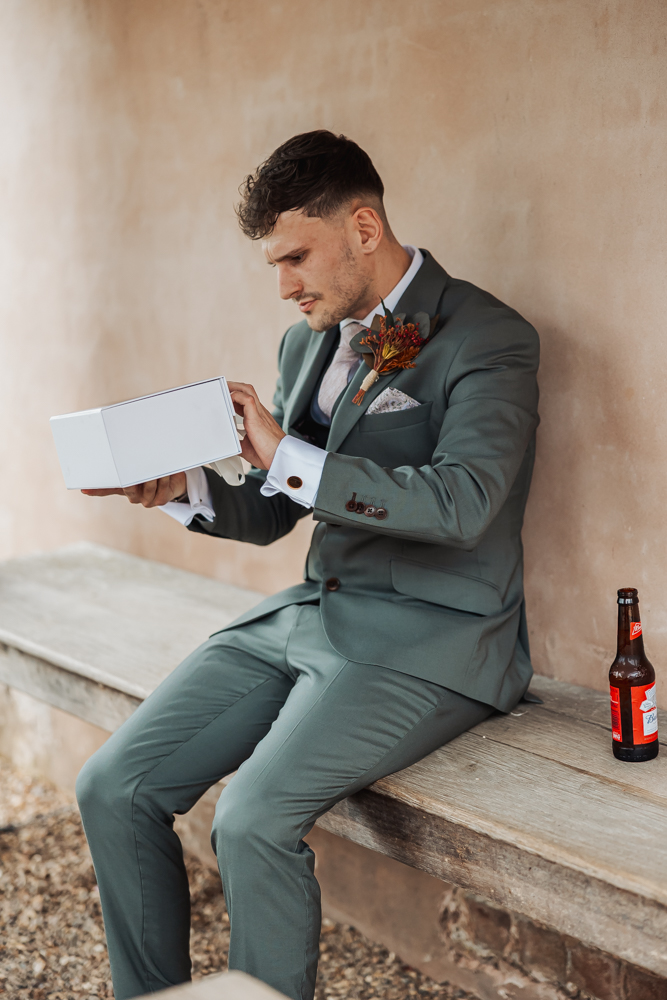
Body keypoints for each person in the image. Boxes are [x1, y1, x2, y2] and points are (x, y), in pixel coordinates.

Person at [76, 130, 540, 1000]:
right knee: (113, 785)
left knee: (250, 821)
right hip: (305, 616)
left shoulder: (490, 338)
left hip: (433, 637)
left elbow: (462, 503)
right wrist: (183, 487)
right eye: (272, 265)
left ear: (363, 227)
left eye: (296, 256)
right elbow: (276, 510)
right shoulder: (306, 344)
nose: (285, 285)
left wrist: (285, 448)